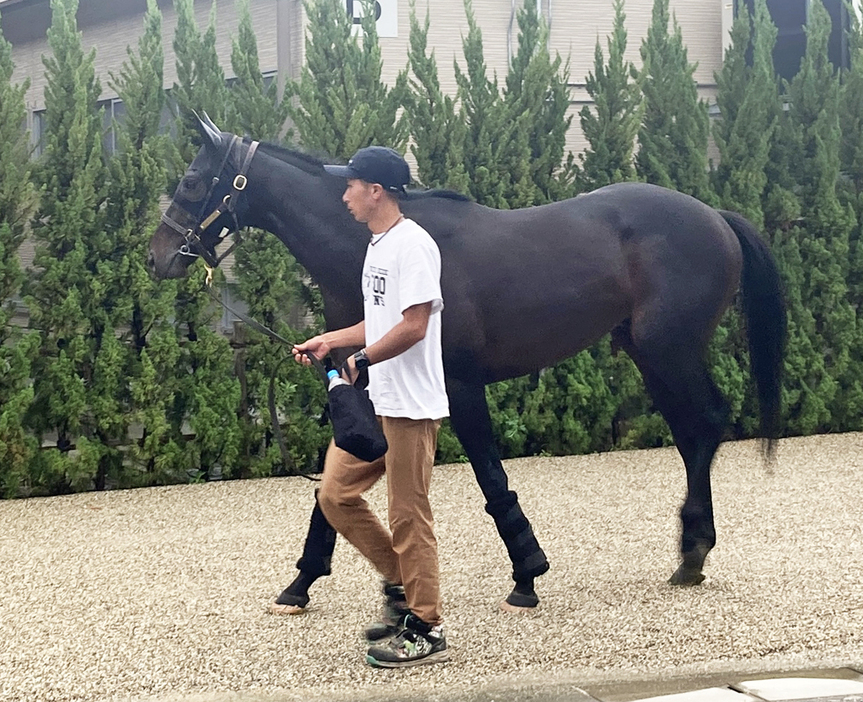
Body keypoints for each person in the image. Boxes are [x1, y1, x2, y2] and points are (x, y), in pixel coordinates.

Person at [292, 146, 450, 668]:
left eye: (351, 185)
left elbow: (414, 325)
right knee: (336, 496)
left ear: (375, 190)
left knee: (408, 515)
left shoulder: (414, 246)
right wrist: (329, 340)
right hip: (380, 400)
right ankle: (403, 584)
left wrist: (361, 357)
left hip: (411, 405)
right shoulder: (378, 246)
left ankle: (426, 625)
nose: (345, 195)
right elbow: (378, 321)